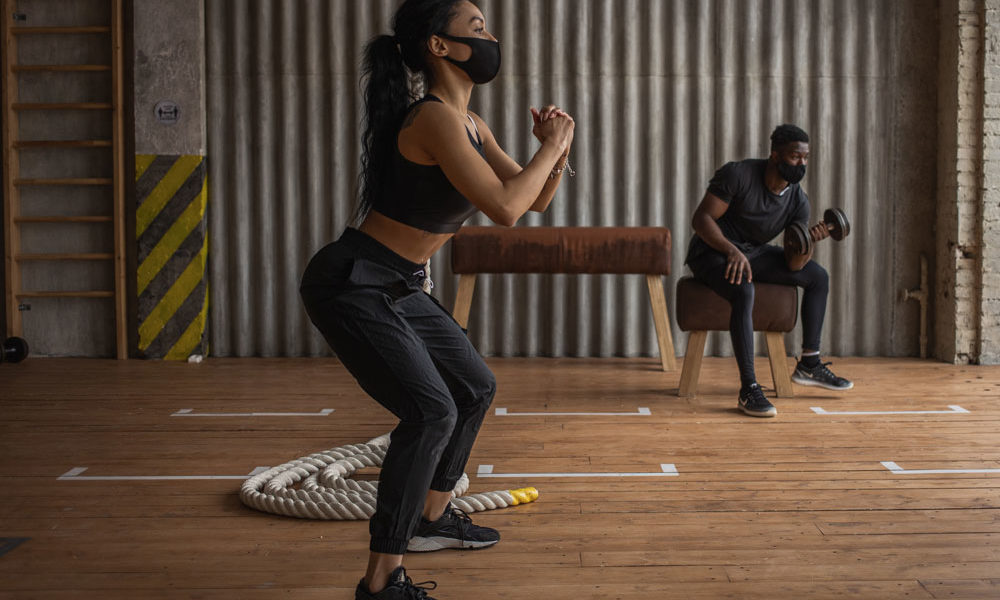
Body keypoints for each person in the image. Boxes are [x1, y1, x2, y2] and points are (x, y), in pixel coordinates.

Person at [298, 1, 575, 598]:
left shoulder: (471, 124)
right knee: (431, 412)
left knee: (474, 386)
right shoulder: (432, 119)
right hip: (356, 282)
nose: (491, 36)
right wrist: (550, 149)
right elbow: (503, 210)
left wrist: (554, 148)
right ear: (439, 47)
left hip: (400, 284)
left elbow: (535, 201)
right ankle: (381, 579)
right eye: (477, 28)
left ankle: (431, 518)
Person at [686, 124, 852, 419]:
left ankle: (809, 363)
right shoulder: (739, 175)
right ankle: (749, 387)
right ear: (775, 155)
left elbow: (792, 264)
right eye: (794, 157)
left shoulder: (798, 200)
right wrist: (731, 251)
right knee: (743, 288)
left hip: (752, 253)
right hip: (711, 252)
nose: (801, 164)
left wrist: (807, 243)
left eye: (805, 158)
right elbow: (701, 219)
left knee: (818, 277)